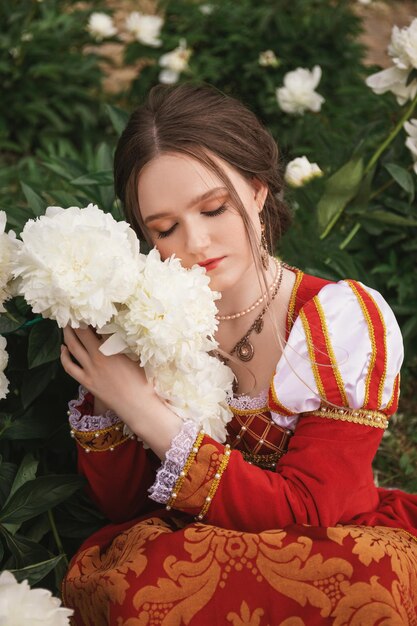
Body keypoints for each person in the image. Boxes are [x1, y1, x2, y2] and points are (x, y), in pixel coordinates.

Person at [61, 83, 417, 626]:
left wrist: (145, 411)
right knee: (141, 591)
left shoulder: (339, 321)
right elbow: (123, 505)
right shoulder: (145, 320)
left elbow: (308, 512)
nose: (196, 242)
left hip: (323, 544)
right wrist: (111, 391)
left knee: (365, 589)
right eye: (165, 228)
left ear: (256, 190)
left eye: (213, 208)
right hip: (191, 547)